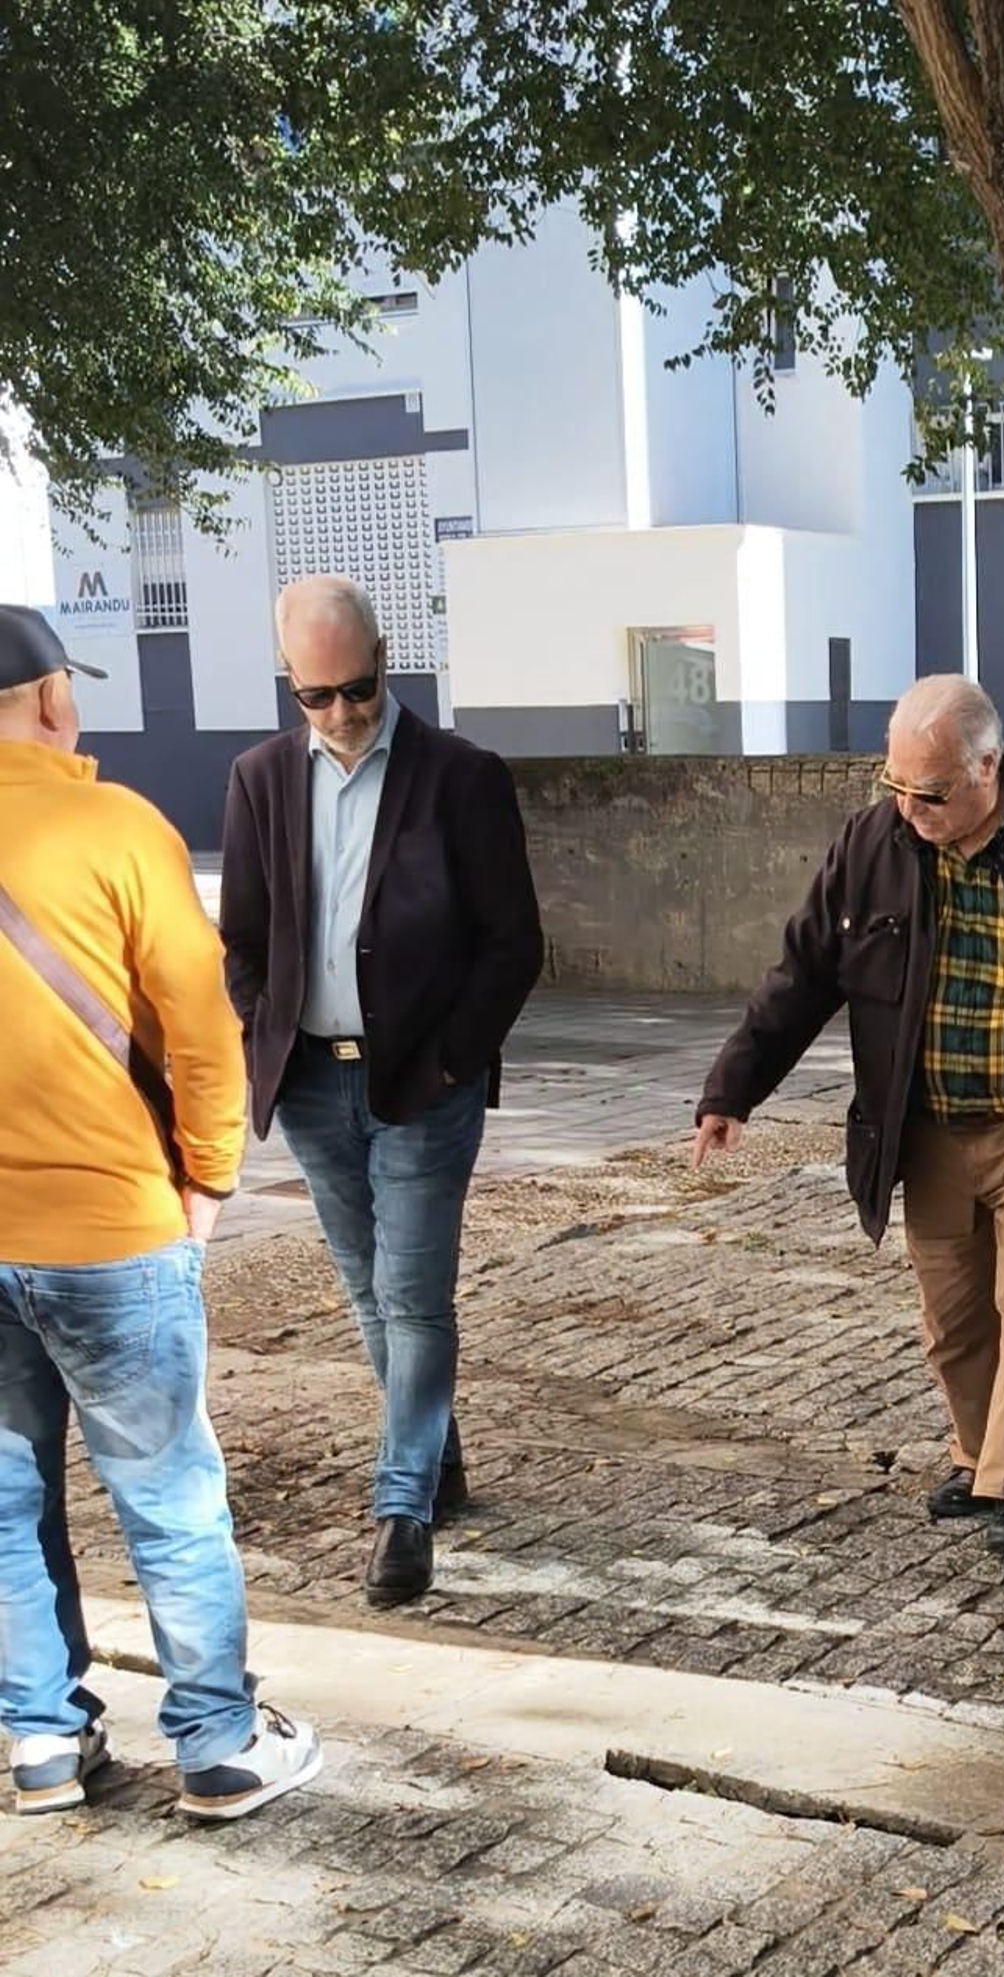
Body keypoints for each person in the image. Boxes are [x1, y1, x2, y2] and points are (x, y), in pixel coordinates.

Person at [693, 675, 1004, 1567]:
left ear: (988, 767)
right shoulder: (873, 843)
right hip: (925, 1126)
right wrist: (733, 1089)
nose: (910, 807)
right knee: (953, 1318)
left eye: (930, 791)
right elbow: (803, 970)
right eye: (896, 786)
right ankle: (976, 1455)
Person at [0, 603, 319, 1821]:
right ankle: (216, 1745)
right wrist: (209, 1179)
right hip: (110, 1231)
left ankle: (39, 1745)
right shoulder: (115, 827)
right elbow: (201, 1028)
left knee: (5, 1502)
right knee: (168, 1494)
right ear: (47, 701)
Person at [220, 577, 543, 1608]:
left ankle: (401, 1508)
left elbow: (513, 943)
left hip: (424, 1084)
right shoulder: (261, 779)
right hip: (310, 1080)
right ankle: (437, 1456)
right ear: (289, 684)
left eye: (356, 688)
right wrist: (263, 1017)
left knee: (412, 1295)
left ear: (386, 660)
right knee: (366, 1291)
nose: (342, 715)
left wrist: (454, 1057)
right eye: (317, 696)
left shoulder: (461, 777)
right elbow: (241, 937)